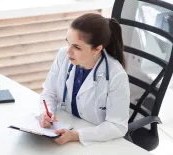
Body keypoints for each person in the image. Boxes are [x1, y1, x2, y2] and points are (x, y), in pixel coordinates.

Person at [39, 13, 130, 146]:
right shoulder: (63, 56)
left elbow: (117, 126)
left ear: (97, 49)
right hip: (65, 127)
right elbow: (49, 93)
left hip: (96, 142)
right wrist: (46, 113)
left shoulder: (116, 75)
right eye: (68, 43)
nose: (68, 51)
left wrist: (76, 135)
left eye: (76, 47)